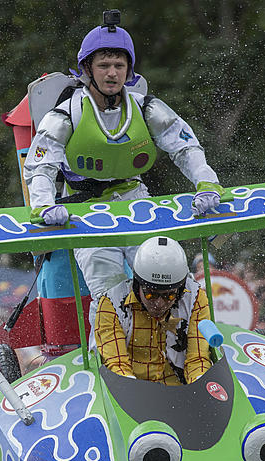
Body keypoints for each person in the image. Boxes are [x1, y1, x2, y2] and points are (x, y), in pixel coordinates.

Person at [23, 14, 223, 296]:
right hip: (84, 212)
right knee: (110, 296)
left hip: (135, 202)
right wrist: (43, 205)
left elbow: (186, 147)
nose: (112, 73)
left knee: (170, 282)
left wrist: (206, 183)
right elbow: (40, 167)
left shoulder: (147, 107)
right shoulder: (65, 114)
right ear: (87, 69)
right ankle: (106, 339)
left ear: (129, 69)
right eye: (103, 65)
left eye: (119, 65)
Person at [93, 236, 211, 385]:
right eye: (150, 294)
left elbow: (198, 359)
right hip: (132, 391)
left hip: (181, 391)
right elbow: (116, 364)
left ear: (180, 289)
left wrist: (200, 385)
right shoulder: (111, 303)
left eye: (169, 295)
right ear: (137, 284)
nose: (159, 303)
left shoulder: (195, 298)